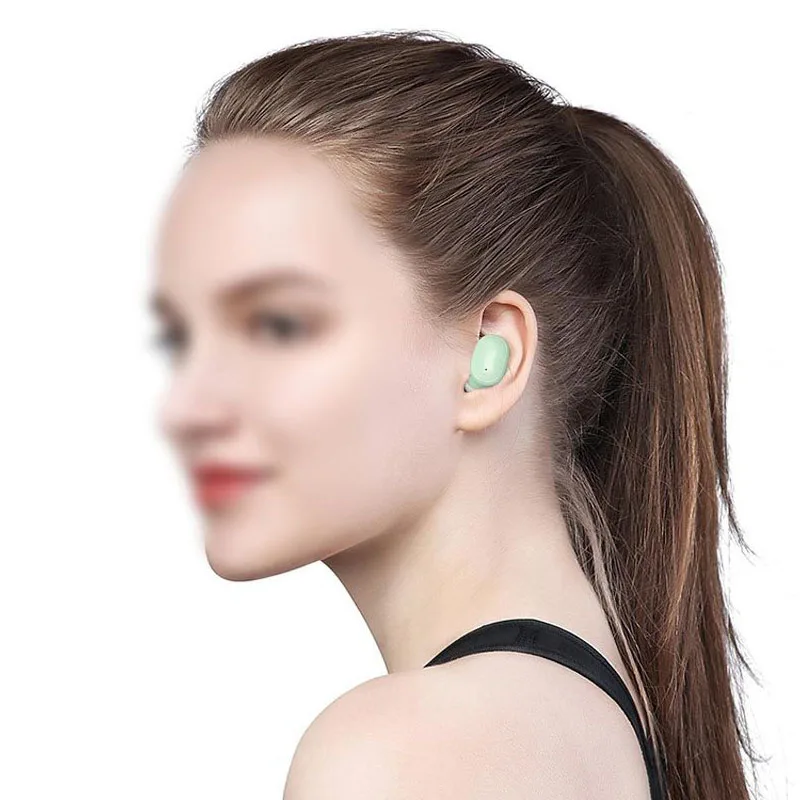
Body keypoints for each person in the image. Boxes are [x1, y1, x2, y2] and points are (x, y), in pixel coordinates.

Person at [148, 29, 759, 800]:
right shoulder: (584, 731)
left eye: (278, 324)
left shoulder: (409, 751)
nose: (188, 405)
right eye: (182, 339)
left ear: (486, 357)